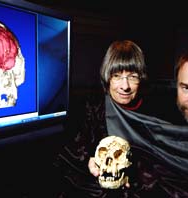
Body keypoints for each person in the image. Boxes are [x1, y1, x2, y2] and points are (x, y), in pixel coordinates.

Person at [53, 39, 161, 197]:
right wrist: (88, 161)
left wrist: (136, 178)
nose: (125, 86)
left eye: (132, 76)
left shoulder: (152, 114)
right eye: (117, 76)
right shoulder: (93, 108)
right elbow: (73, 149)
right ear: (107, 77)